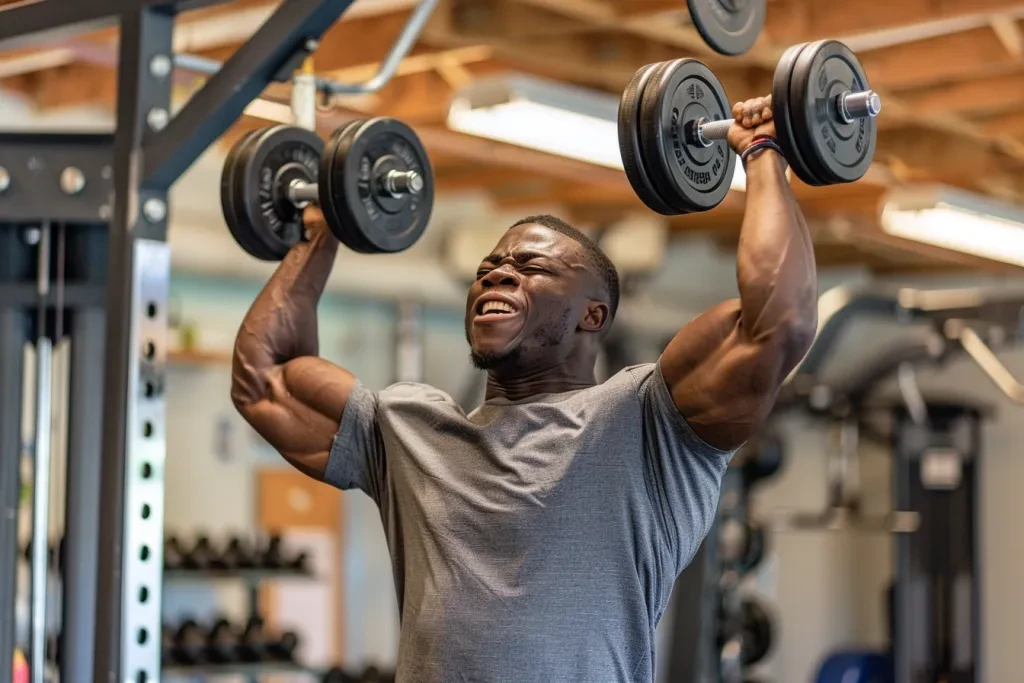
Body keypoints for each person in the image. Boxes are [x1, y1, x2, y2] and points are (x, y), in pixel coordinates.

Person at [230, 96, 816, 682]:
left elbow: (777, 322)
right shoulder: (409, 432)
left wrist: (763, 155)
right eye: (490, 267)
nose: (499, 273)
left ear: (593, 317)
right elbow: (264, 378)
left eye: (532, 268)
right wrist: (321, 231)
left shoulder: (648, 427)